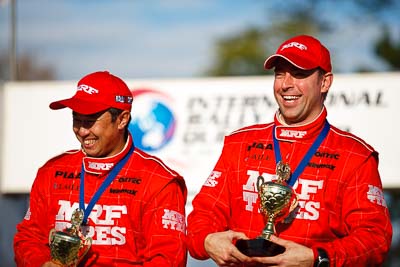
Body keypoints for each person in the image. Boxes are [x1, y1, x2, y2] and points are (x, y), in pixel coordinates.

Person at [186, 35, 392, 266]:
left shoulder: (355, 155)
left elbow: (375, 239)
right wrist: (207, 240)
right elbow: (202, 216)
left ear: (325, 82)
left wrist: (317, 259)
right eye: (280, 73)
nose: (285, 84)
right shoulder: (240, 143)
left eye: (299, 74)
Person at [14, 71, 187, 266]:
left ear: (122, 119)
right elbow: (28, 238)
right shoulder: (52, 171)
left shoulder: (158, 181)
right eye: (76, 119)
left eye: (90, 120)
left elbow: (168, 259)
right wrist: (41, 264)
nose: (81, 130)